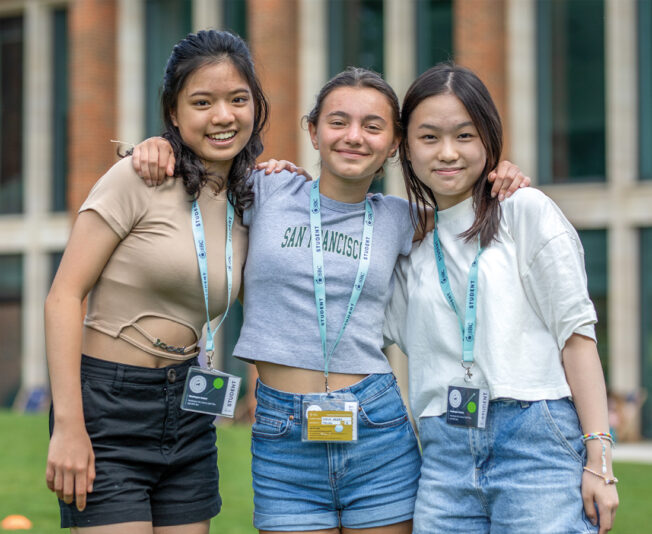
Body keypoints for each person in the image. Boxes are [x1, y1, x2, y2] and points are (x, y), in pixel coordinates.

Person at [132, 66, 528, 533]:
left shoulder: (404, 219)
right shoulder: (266, 188)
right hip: (282, 434)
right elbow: (202, 164)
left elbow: (469, 201)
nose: (354, 137)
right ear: (313, 131)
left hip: (377, 428)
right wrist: (158, 146)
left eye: (372, 126)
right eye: (338, 122)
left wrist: (505, 175)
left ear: (394, 143)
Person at [44, 29, 268, 532]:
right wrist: (68, 426)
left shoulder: (249, 196)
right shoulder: (137, 178)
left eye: (238, 99)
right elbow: (63, 296)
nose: (223, 116)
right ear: (173, 112)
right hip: (110, 409)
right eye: (202, 102)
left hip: (190, 409)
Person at [383, 63, 619, 534]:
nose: (447, 153)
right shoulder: (407, 246)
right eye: (429, 138)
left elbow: (577, 338)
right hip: (443, 453)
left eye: (465, 135)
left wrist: (599, 459)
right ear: (405, 149)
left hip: (535, 442)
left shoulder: (524, 212)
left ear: (489, 139)